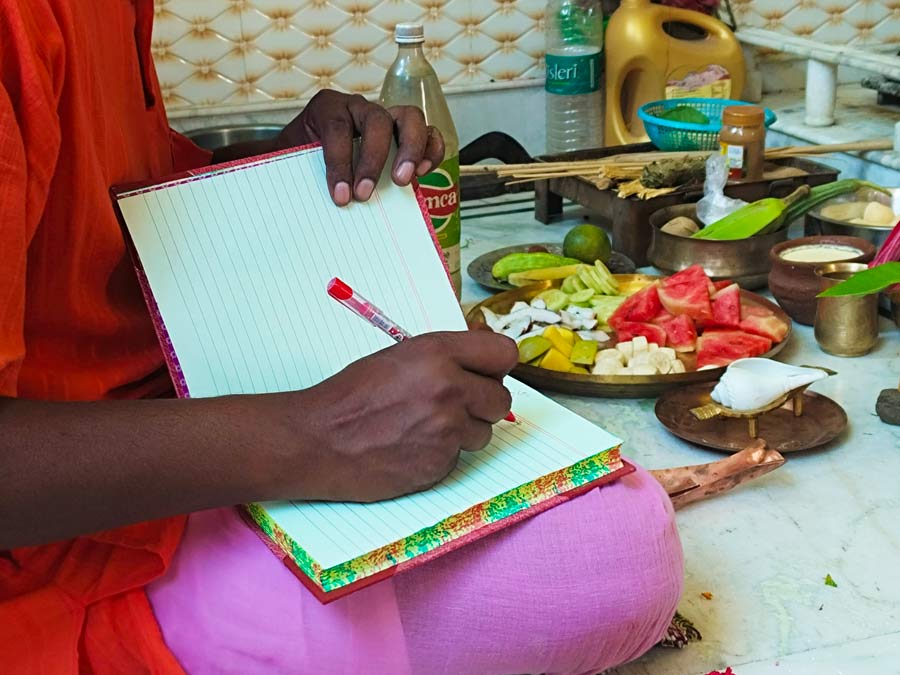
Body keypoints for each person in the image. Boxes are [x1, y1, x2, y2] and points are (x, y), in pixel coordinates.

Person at [0, 2, 683, 673]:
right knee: (610, 558)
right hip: (57, 543)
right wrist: (318, 434)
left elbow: (89, 214)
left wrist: (273, 171)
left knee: (596, 493)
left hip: (161, 421)